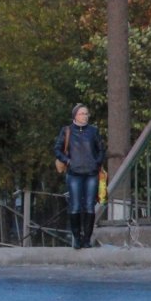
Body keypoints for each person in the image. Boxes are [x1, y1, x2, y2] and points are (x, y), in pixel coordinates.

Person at [53, 103, 104, 249]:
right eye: (82, 113)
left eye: (86, 113)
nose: (85, 116)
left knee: (89, 206)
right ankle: (76, 238)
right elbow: (57, 149)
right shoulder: (67, 130)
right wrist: (68, 161)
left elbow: (101, 149)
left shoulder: (93, 131)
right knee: (74, 206)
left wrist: (97, 163)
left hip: (91, 173)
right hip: (74, 173)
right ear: (75, 115)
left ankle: (87, 239)